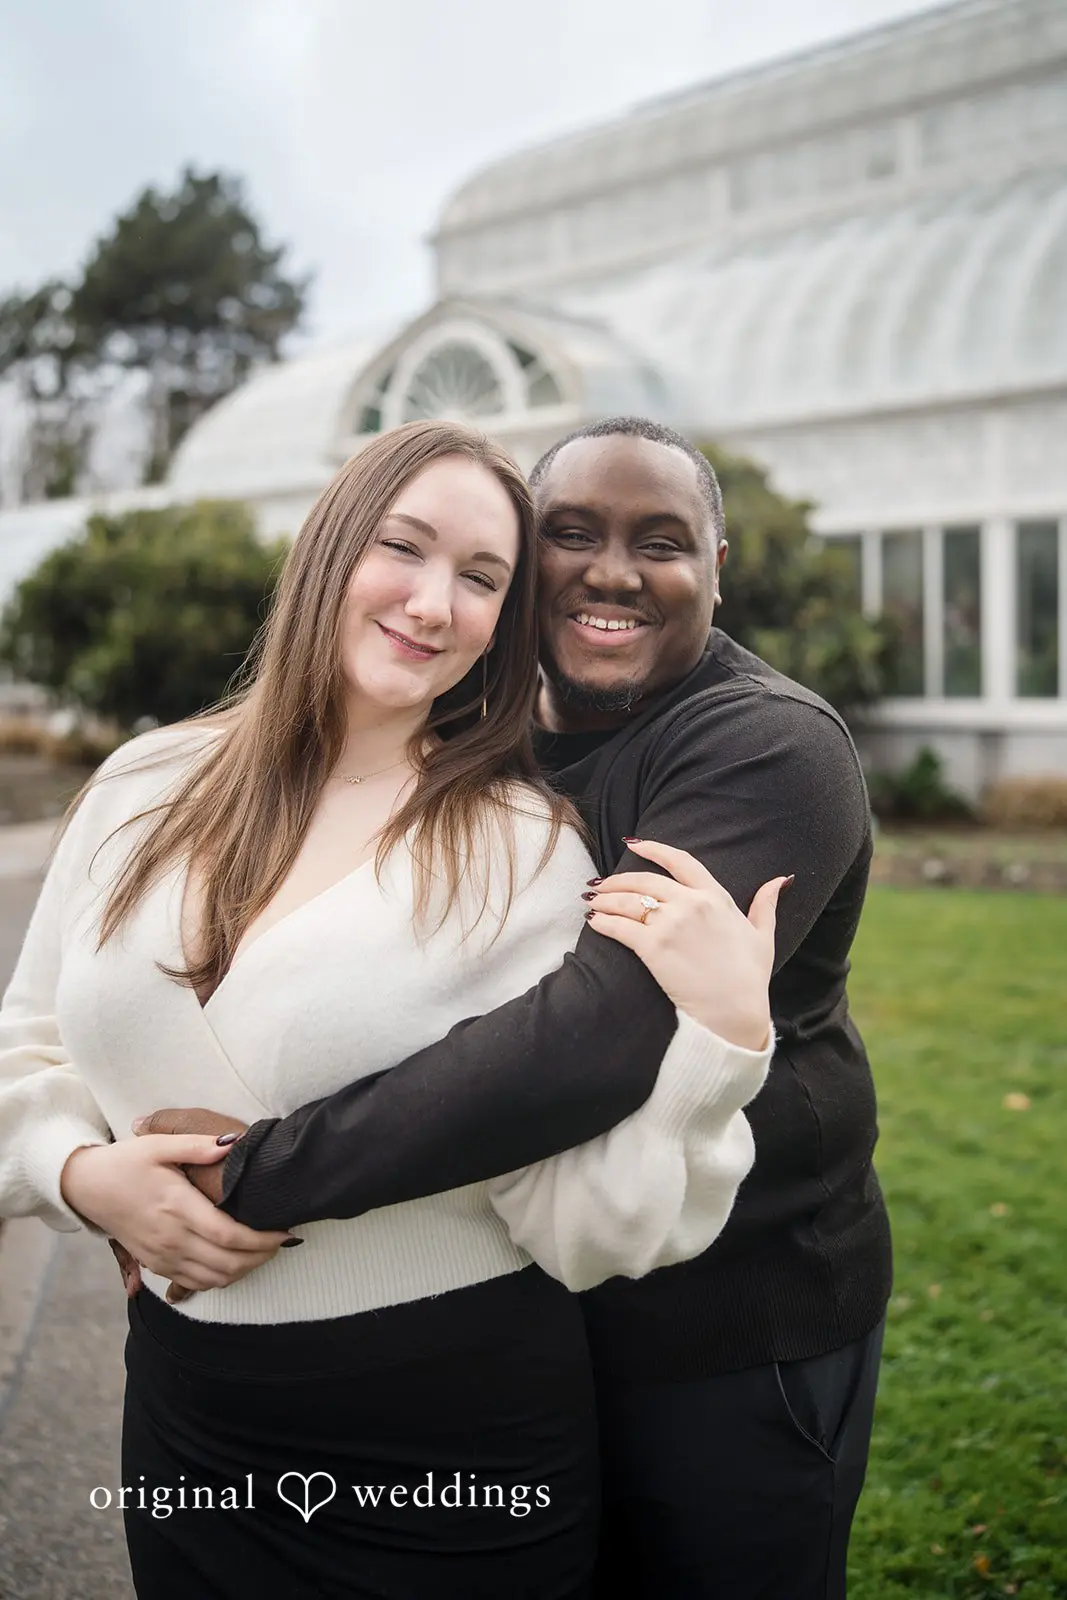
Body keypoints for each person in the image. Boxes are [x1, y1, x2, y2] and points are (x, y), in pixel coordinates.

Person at [0, 419, 782, 1600]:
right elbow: (27, 1048)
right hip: (181, 1412)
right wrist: (79, 1174)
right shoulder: (139, 787)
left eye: (480, 578)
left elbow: (582, 1221)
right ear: (329, 546)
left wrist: (717, 1045)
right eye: (402, 548)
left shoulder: (521, 851)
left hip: (446, 1439)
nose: (431, 602)